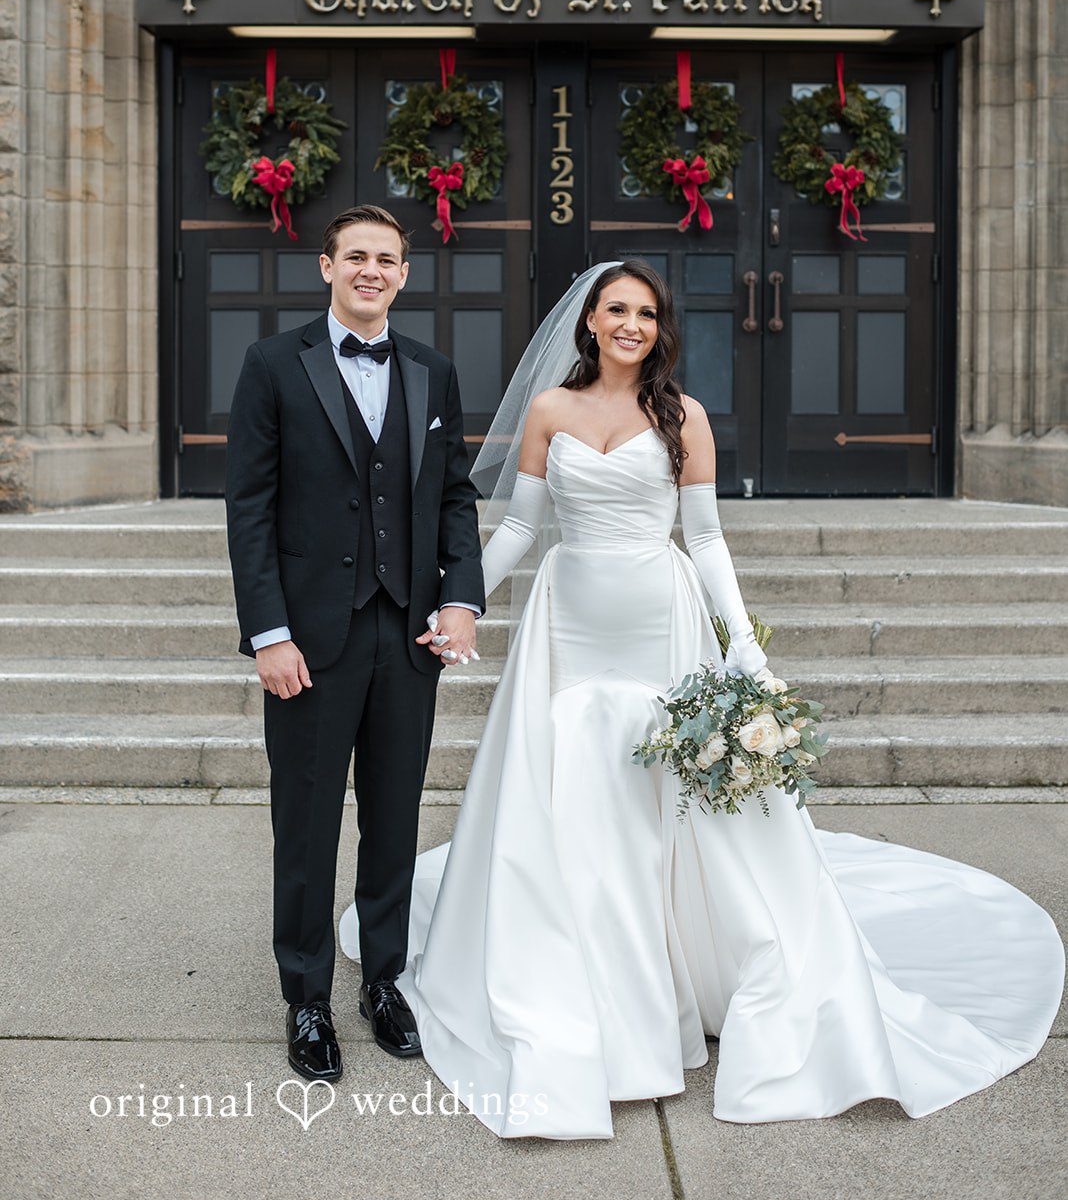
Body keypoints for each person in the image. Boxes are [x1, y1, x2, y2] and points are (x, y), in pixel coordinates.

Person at [339, 258, 1065, 1139]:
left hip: (661, 627)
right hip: (570, 628)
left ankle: (689, 968)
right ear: (590, 323)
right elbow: (524, 526)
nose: (631, 325)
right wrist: (460, 608)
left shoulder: (681, 417)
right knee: (573, 797)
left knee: (670, 807)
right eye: (617, 310)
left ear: (659, 327)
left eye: (646, 313)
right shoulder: (550, 412)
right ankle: (590, 982)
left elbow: (708, 542)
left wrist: (745, 649)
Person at [225, 205, 484, 1082]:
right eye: (357, 257)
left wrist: (463, 602)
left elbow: (453, 498)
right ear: (326, 266)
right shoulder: (271, 365)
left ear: (404, 275)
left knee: (394, 816)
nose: (372, 271)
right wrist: (268, 633)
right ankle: (305, 997)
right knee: (304, 821)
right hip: (307, 637)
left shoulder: (431, 370)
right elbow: (250, 510)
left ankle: (383, 982)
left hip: (406, 633)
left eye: (388, 259)